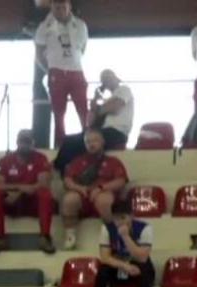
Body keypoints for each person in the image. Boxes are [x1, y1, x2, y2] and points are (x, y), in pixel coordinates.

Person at [87, 198, 154, 287]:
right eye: (116, 218)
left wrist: (126, 237)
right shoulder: (107, 229)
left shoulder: (145, 228)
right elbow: (105, 257)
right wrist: (124, 266)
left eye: (123, 218)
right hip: (119, 265)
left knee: (145, 268)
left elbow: (142, 257)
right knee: (103, 270)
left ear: (131, 216)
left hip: (137, 266)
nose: (120, 222)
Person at [60, 128, 129, 250]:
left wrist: (101, 188)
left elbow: (121, 181)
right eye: (88, 142)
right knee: (69, 199)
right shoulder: (77, 161)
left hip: (103, 195)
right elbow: (67, 180)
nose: (91, 144)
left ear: (102, 142)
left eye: (95, 141)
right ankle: (70, 237)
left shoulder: (113, 161)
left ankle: (112, 232)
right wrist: (79, 188)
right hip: (83, 196)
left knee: (103, 199)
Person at [0, 129, 55, 254]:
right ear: (17, 142)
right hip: (12, 203)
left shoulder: (41, 158)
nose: (24, 144)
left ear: (33, 143)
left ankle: (45, 237)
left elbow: (43, 183)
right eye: (22, 141)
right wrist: (21, 187)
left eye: (28, 141)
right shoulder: (6, 160)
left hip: (32, 204)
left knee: (44, 193)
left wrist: (20, 192)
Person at [35, 0, 89, 145]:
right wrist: (50, 70)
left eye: (63, 7)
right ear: (52, 8)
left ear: (69, 6)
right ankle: (60, 143)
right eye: (57, 8)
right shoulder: (44, 27)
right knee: (58, 112)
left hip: (76, 71)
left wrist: (71, 63)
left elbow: (82, 49)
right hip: (56, 72)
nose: (60, 10)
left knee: (83, 109)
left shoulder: (81, 25)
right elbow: (38, 54)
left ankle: (88, 140)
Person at [87, 69, 135, 151]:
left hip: (117, 132)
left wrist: (98, 109)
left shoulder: (124, 89)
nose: (106, 80)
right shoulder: (106, 102)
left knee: (73, 143)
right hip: (103, 131)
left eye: (109, 77)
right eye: (104, 79)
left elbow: (115, 108)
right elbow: (90, 123)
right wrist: (95, 99)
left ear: (116, 78)